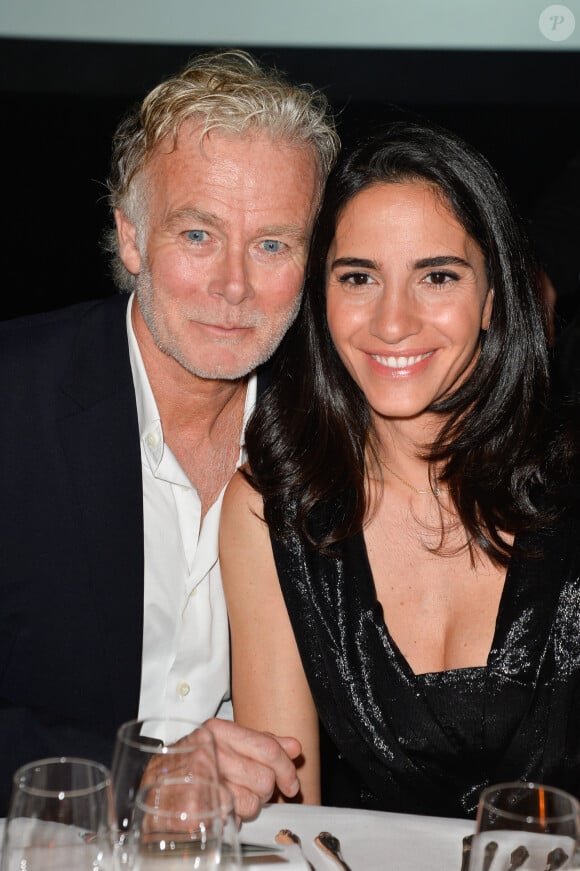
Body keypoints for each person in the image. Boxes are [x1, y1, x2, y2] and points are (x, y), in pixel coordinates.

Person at [0, 49, 339, 817]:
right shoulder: (16, 403)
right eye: (197, 235)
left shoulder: (332, 433)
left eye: (273, 244)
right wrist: (137, 778)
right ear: (130, 239)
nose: (233, 286)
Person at [220, 120, 580, 819]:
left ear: (494, 300)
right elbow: (294, 824)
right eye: (359, 278)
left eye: (436, 276)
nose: (392, 322)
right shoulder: (274, 511)